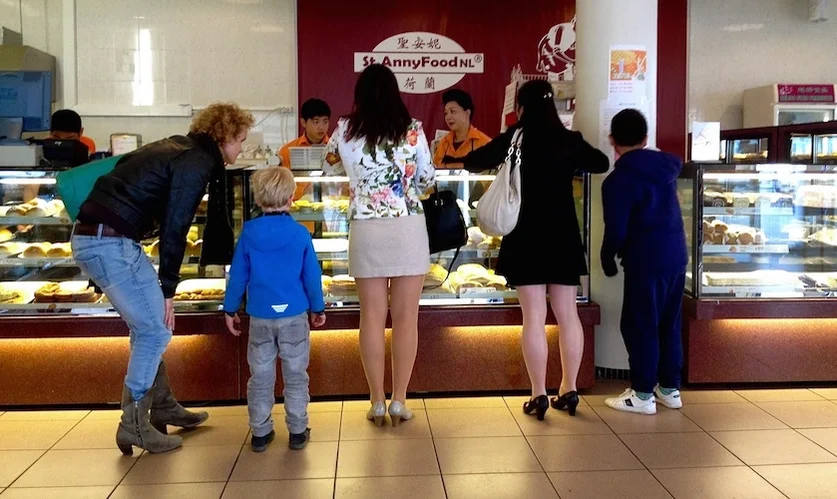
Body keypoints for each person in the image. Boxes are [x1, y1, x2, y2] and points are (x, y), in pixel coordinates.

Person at [71, 102, 253, 454]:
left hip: (99, 237)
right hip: (110, 243)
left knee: (148, 326)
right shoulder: (197, 161)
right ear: (224, 137)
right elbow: (176, 225)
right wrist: (169, 288)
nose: (242, 148)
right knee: (155, 330)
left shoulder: (177, 146)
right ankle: (134, 425)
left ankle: (163, 405)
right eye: (241, 140)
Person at [443, 80, 608, 420]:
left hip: (526, 236)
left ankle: (538, 394)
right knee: (568, 315)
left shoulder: (515, 138)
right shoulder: (569, 139)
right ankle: (569, 388)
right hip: (563, 235)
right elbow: (600, 162)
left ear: (521, 108)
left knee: (533, 317)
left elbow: (473, 162)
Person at [322, 64, 435, 426]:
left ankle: (376, 401)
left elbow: (328, 169)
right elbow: (426, 180)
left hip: (366, 229)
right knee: (405, 318)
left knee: (371, 316)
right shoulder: (413, 129)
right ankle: (400, 399)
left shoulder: (344, 129)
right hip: (407, 227)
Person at [224, 167, 326, 451]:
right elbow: (312, 276)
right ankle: (297, 430)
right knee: (295, 375)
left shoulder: (248, 233)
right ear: (292, 198)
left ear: (258, 200)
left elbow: (238, 276)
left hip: (260, 316)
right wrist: (318, 308)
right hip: (294, 315)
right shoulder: (300, 234)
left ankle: (260, 432)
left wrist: (230, 309)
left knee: (260, 376)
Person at [601, 109, 688, 415]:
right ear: (646, 138)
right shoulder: (667, 169)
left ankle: (641, 394)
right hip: (676, 257)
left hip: (646, 260)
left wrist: (606, 257)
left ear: (612, 140)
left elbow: (616, 229)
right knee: (669, 324)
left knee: (640, 325)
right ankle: (669, 389)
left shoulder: (618, 181)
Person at [432, 89, 491, 167]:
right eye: (446, 113)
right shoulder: (444, 143)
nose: (448, 117)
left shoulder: (485, 143)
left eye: (452, 111)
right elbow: (434, 170)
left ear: (467, 113)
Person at [279, 98, 331, 169]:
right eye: (316, 122)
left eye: (325, 122)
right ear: (303, 122)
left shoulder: (336, 149)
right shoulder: (287, 151)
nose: (321, 127)